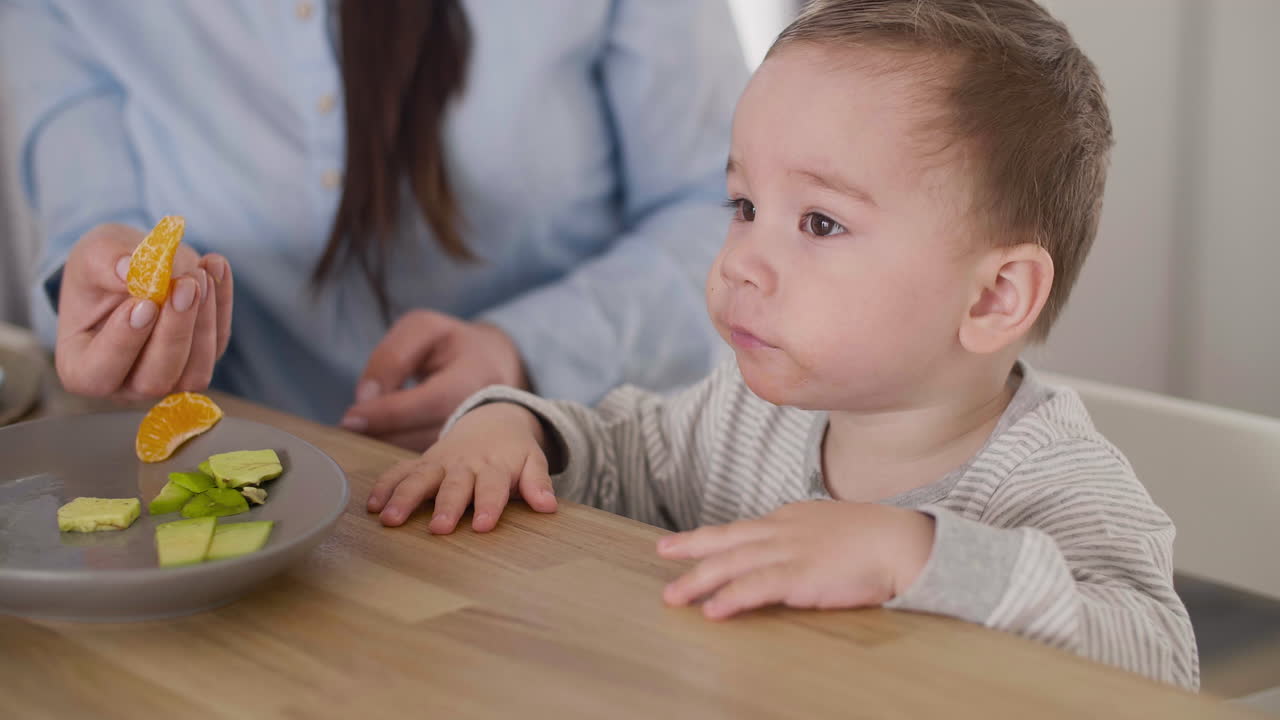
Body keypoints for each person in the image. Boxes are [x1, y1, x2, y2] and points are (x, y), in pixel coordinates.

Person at [364, 0, 1199, 689]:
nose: (741, 263)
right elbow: (618, 451)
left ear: (993, 296)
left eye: (820, 222)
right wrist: (512, 429)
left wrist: (914, 558)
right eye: (742, 206)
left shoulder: (1059, 483)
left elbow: (1161, 660)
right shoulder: (744, 416)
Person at [0, 1, 746, 449]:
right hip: (231, 492)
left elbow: (718, 210)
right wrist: (103, 295)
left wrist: (524, 353)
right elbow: (93, 223)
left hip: (568, 485)